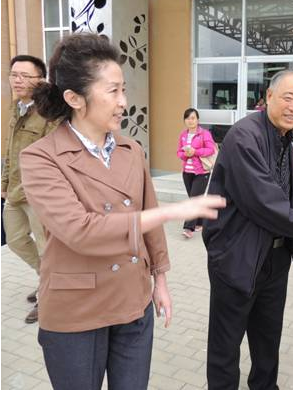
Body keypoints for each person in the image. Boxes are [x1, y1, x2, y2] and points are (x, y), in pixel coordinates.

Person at [19, 33, 225, 390]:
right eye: (113, 91)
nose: (123, 102)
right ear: (74, 98)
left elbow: (149, 218)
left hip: (133, 300)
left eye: (124, 90)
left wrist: (160, 280)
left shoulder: (131, 150)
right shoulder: (41, 158)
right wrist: (174, 211)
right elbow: (80, 230)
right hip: (76, 309)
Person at [202, 69, 293, 389]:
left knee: (268, 339)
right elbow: (262, 201)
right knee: (226, 344)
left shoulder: (287, 139)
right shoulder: (245, 136)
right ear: (269, 96)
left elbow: (291, 195)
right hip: (237, 256)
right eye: (288, 97)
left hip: (275, 257)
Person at [2, 54, 58, 324]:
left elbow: (52, 157)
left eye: (25, 76)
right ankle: (46, 279)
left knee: (47, 248)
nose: (18, 80)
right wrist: (4, 182)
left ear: (41, 80)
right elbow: (10, 148)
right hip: (14, 190)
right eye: (14, 75)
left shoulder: (49, 112)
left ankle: (50, 296)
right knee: (14, 239)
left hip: (38, 194)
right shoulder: (16, 106)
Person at [177, 108, 216, 238]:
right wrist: (185, 154)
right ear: (184, 120)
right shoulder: (183, 135)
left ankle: (188, 228)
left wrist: (195, 152)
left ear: (197, 120)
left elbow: (211, 150)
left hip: (202, 172)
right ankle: (200, 222)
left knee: (193, 200)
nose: (190, 121)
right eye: (187, 118)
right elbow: (179, 152)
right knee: (194, 199)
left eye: (193, 118)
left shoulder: (205, 134)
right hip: (187, 172)